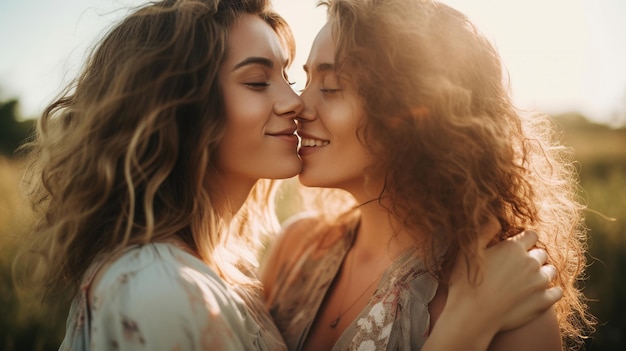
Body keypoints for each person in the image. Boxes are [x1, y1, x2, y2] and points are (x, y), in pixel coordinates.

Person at [260, 0, 594, 350]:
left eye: (329, 87)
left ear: (408, 113)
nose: (298, 104)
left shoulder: (506, 298)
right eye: (306, 78)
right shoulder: (297, 248)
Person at [16, 0, 304, 349]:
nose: (295, 101)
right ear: (181, 108)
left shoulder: (217, 268)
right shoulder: (161, 289)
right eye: (258, 82)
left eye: (287, 77)